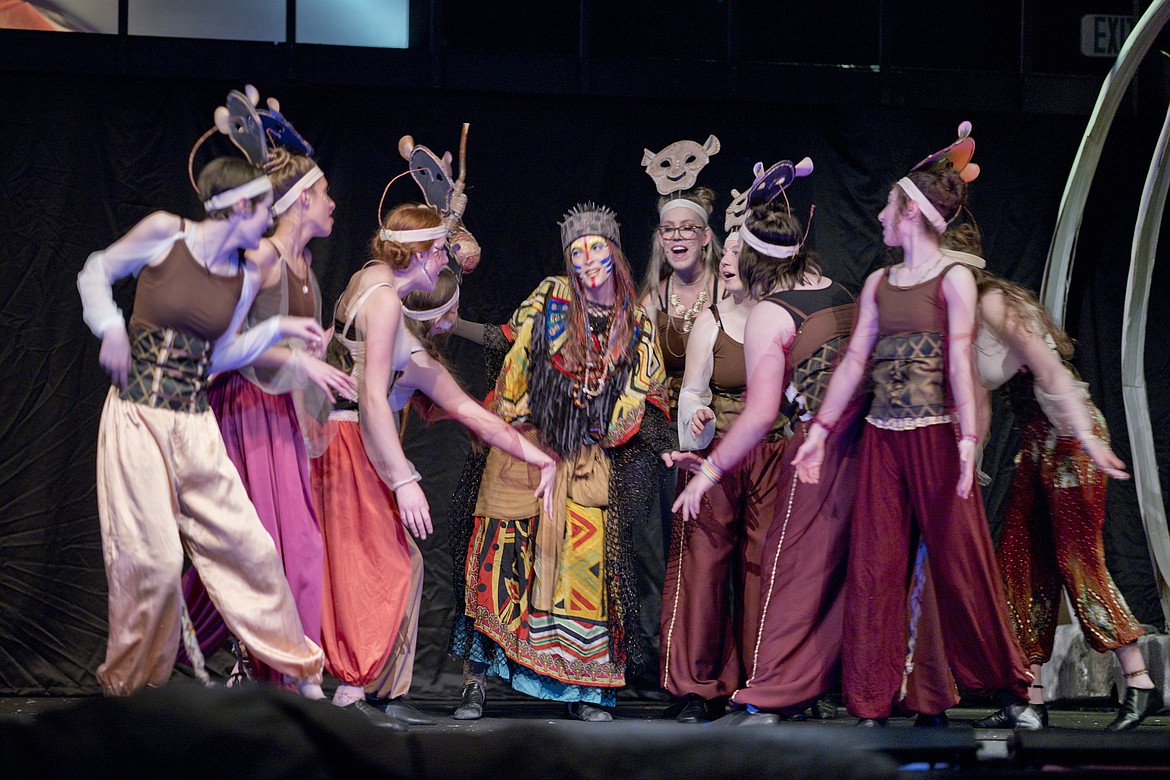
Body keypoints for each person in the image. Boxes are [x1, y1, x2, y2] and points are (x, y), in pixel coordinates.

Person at [790, 143, 1039, 728]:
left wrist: (969, 441)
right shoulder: (879, 281)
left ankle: (1011, 693)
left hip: (935, 437)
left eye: (889, 206)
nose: (880, 216)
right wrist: (820, 431)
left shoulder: (952, 280)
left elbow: (960, 363)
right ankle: (872, 701)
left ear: (913, 214)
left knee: (964, 565)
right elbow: (855, 360)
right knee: (875, 566)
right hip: (883, 438)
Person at [77, 152, 327, 699]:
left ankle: (300, 665)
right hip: (138, 413)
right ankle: (130, 690)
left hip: (194, 419)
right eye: (264, 210)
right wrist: (111, 327)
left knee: (251, 548)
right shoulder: (167, 234)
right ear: (241, 207)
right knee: (156, 561)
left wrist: (282, 330)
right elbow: (96, 270)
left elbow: (224, 353)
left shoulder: (240, 278)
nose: (270, 222)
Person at [312, 203, 557, 727]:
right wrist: (405, 481)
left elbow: (473, 415)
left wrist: (539, 457)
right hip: (350, 439)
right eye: (440, 253)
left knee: (404, 565)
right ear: (420, 258)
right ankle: (354, 687)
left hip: (338, 434)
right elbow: (373, 401)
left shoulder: (371, 277)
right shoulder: (388, 315)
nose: (447, 260)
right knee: (385, 566)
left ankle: (375, 688)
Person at [449, 203, 672, 722]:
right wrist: (450, 323)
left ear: (614, 253)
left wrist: (605, 422)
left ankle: (586, 691)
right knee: (498, 559)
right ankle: (475, 683)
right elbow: (511, 347)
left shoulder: (635, 324)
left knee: (582, 570)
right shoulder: (550, 297)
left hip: (587, 461)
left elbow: (649, 396)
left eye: (596, 248)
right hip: (524, 451)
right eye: (577, 252)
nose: (587, 259)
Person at [938, 232, 1157, 731]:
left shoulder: (994, 303)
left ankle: (1141, 685)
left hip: (1070, 436)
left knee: (1077, 560)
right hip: (1038, 445)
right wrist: (966, 463)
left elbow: (1052, 371)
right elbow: (981, 402)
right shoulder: (964, 320)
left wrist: (1084, 436)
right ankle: (1028, 699)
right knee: (1019, 564)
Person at [672, 170, 859, 722]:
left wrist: (706, 475)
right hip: (868, 445)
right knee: (843, 572)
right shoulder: (839, 291)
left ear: (753, 264)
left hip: (813, 452)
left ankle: (777, 690)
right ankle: (855, 693)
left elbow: (759, 414)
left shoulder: (772, 316)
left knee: (786, 572)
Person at [180, 122, 354, 687]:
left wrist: (311, 356)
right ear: (303, 199)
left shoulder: (306, 272)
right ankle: (282, 673)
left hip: (279, 416)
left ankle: (291, 672)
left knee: (294, 545)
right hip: (244, 413)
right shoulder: (264, 261)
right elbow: (215, 348)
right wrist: (292, 356)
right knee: (264, 548)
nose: (332, 204)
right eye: (325, 194)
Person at [658, 164, 808, 723]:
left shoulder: (786, 317)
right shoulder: (711, 321)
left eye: (734, 257)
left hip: (770, 453)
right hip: (718, 448)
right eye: (723, 260)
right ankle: (698, 685)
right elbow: (692, 391)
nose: (726, 265)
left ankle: (767, 681)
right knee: (703, 563)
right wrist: (694, 423)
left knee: (765, 564)